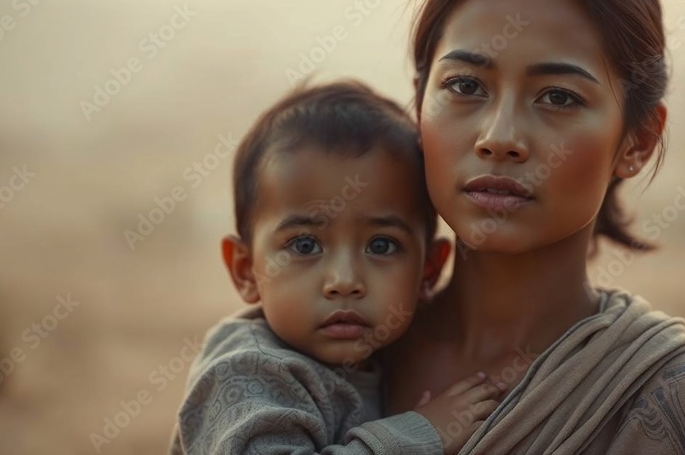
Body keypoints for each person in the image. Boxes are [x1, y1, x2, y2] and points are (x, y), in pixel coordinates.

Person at [382, 0, 685, 454]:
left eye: (557, 97)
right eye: (465, 87)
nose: (500, 137)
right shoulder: (308, 368)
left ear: (637, 142)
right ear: (419, 107)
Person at [169, 80, 505, 455]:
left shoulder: (388, 361)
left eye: (381, 245)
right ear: (247, 271)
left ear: (428, 271)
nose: (344, 281)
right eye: (305, 245)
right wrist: (415, 436)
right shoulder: (247, 373)